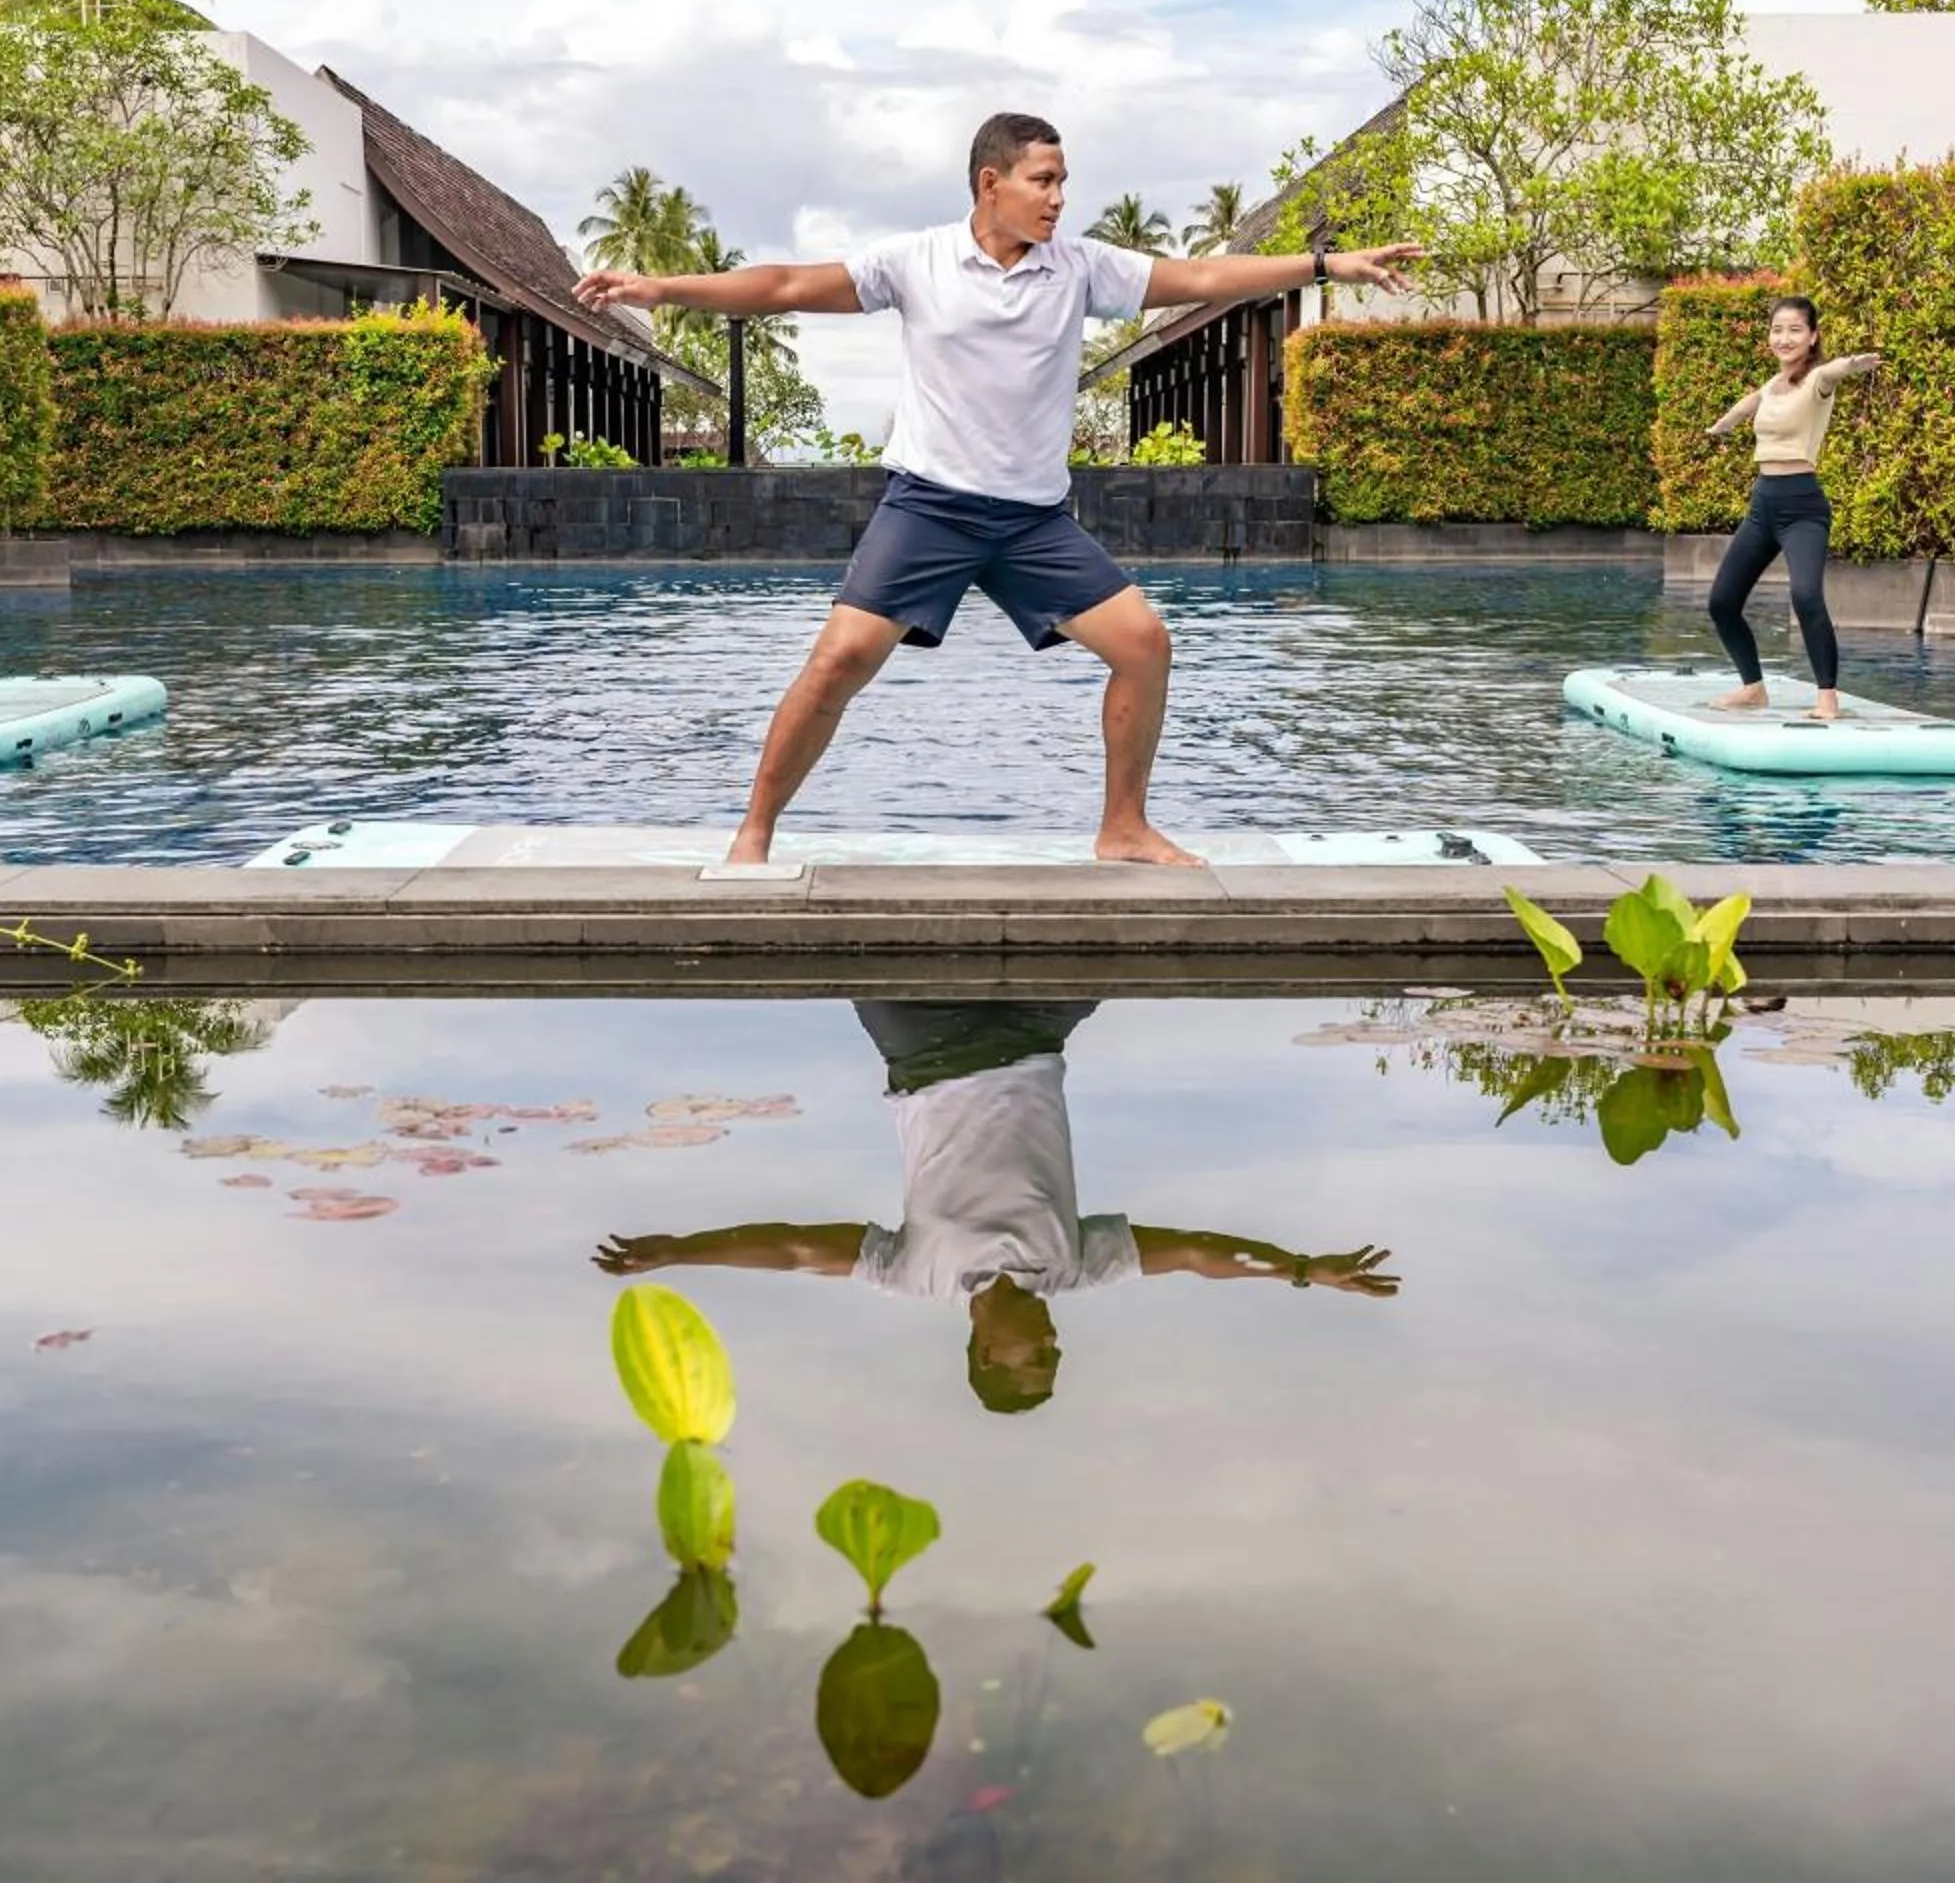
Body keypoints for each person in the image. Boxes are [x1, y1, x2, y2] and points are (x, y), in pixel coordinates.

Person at [571, 113, 1426, 866]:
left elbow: (1201, 278)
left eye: (1063, 182)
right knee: (838, 661)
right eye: (1043, 181)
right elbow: (787, 285)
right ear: (992, 182)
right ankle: (754, 833)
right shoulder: (917, 261)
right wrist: (660, 287)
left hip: (1032, 523)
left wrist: (1328, 265)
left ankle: (1124, 828)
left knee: (1144, 645)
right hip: (930, 508)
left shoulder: (1080, 268)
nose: (1059, 199)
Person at [592, 1001, 1398, 1415]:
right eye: (1055, 1357)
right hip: (1033, 1035)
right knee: (1111, 929)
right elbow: (1191, 1253)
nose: (1052, 1343)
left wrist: (679, 1249)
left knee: (858, 939)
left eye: (1034, 1358)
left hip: (924, 1050)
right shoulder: (1074, 1268)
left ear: (983, 1354)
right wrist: (1302, 1270)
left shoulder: (917, 1276)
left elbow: (798, 1249)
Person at [1701, 297, 1884, 723]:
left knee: (1805, 595)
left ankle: (1827, 699)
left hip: (1803, 507)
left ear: (1813, 336)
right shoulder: (1774, 384)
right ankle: (1753, 688)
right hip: (1763, 503)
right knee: (1722, 602)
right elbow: (1751, 401)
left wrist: (1852, 364)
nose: (1784, 338)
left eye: (1795, 330)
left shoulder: (1817, 379)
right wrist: (1724, 424)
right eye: (1777, 330)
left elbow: (1833, 371)